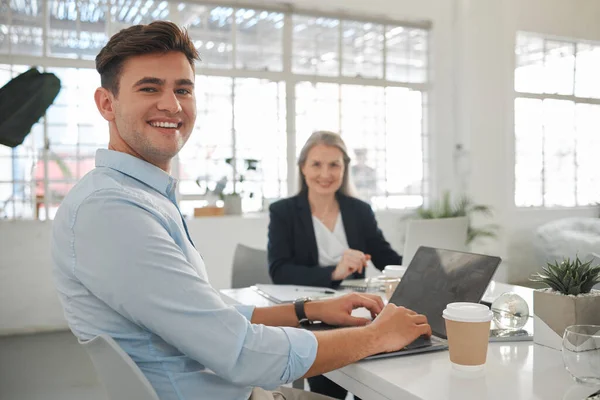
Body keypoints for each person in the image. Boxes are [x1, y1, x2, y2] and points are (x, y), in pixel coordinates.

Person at [51, 22, 431, 400]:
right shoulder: (112, 210)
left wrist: (310, 309)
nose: (172, 104)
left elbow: (211, 314)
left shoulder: (141, 196)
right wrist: (377, 335)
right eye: (150, 88)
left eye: (183, 89)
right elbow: (241, 353)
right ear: (106, 103)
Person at [267, 131, 405, 399]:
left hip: (360, 315)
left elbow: (386, 257)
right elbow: (279, 271)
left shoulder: (359, 211)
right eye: (317, 164)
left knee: (382, 375)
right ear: (303, 168)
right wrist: (334, 273)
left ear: (344, 169)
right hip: (316, 317)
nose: (325, 174)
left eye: (334, 165)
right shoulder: (283, 212)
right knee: (332, 387)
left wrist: (424, 268)